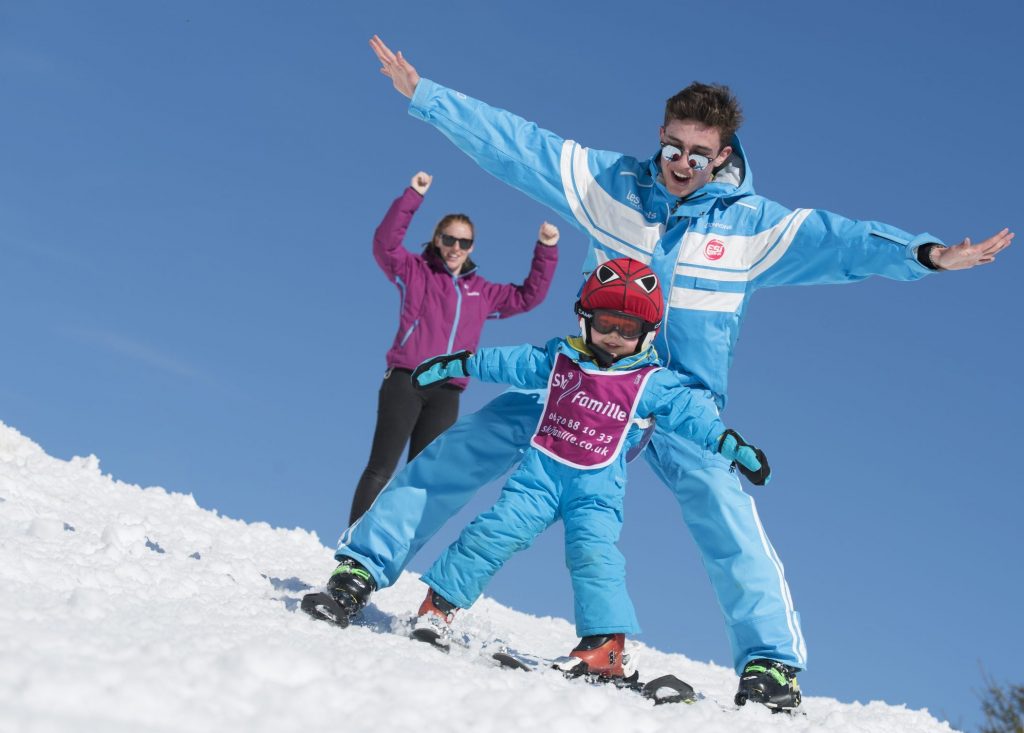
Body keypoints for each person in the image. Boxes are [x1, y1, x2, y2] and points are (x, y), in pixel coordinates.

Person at [324, 36, 1014, 710]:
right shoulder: (609, 186)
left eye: (699, 154)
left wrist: (924, 255)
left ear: (724, 156)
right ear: (660, 136)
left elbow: (843, 241)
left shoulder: (751, 228)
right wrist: (427, 97)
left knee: (723, 507)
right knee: (471, 445)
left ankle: (770, 663)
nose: (682, 163)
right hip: (591, 378)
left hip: (677, 398)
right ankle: (363, 565)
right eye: (673, 147)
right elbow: (517, 145)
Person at [406, 258, 770, 688]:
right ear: (585, 320)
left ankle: (605, 648)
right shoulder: (561, 358)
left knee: (594, 556)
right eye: (606, 324)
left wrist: (731, 445)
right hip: (538, 478)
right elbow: (511, 362)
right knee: (494, 532)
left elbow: (692, 414)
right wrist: (459, 364)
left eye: (628, 329)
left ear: (647, 334)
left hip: (597, 490)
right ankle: (438, 607)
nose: (615, 337)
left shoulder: (649, 380)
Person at [347, 171, 559, 523]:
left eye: (464, 242)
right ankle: (352, 542)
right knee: (381, 467)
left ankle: (385, 554)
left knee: (422, 478)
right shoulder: (416, 271)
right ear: (437, 239)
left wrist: (546, 249)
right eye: (449, 239)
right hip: (407, 379)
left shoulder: (481, 292)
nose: (456, 248)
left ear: (472, 246)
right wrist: (413, 195)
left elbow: (528, 297)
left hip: (447, 391)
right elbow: (385, 245)